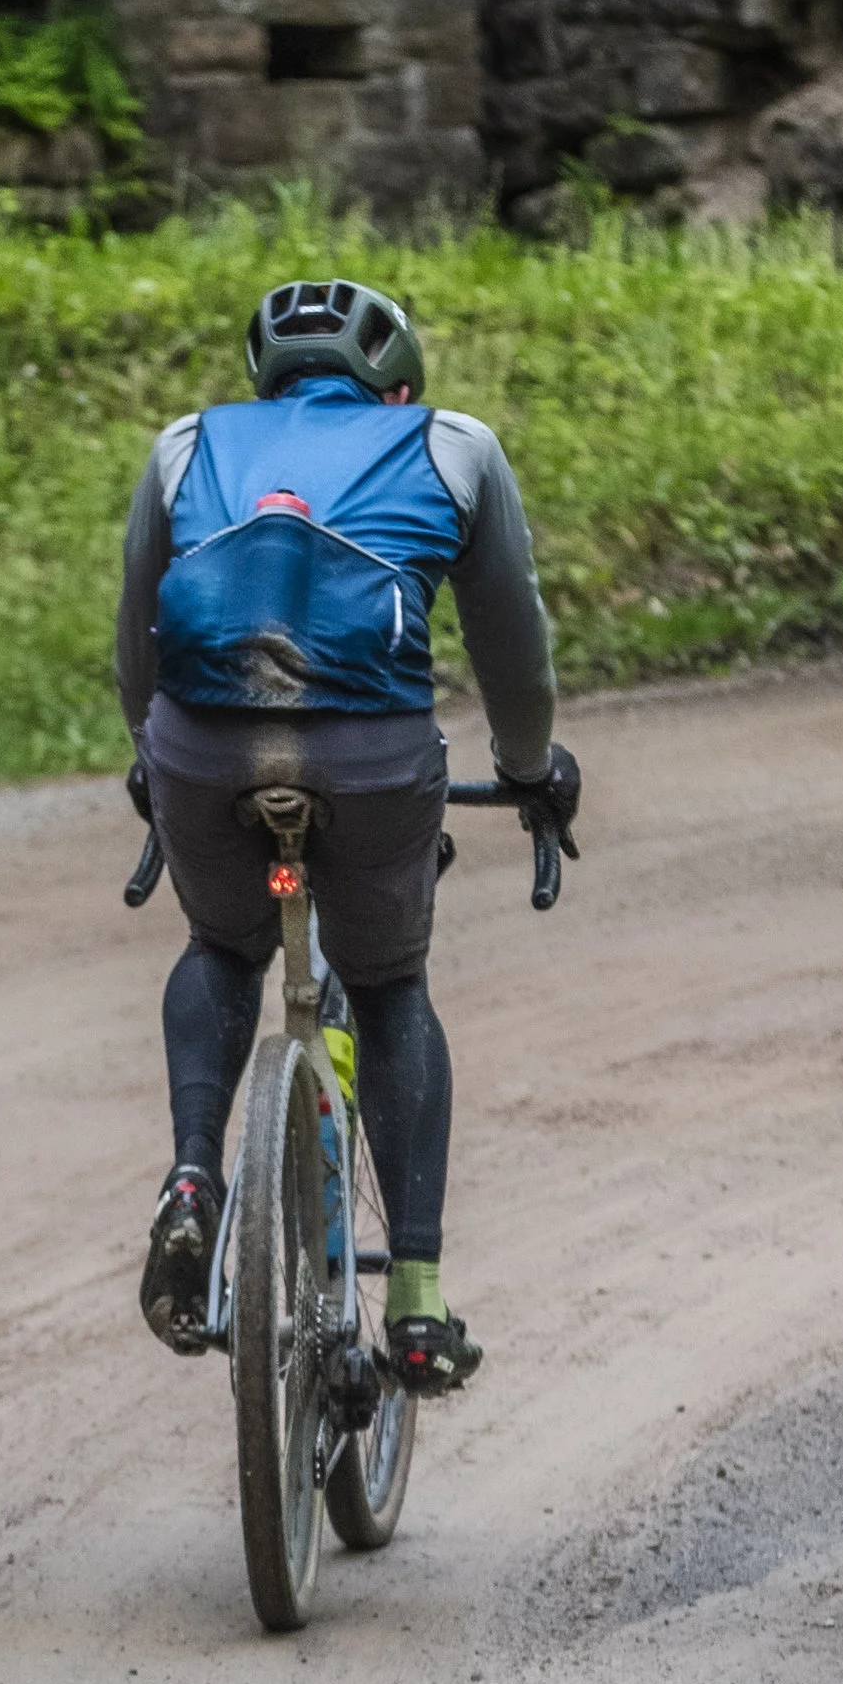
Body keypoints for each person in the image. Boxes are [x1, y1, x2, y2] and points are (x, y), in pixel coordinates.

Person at [114, 277, 578, 1393]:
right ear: (398, 387)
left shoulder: (187, 446)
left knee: (223, 946)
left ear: (264, 383)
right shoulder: (452, 445)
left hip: (203, 748)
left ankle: (190, 1180)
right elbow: (513, 644)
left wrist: (154, 758)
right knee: (387, 986)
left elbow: (139, 634)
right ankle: (414, 1303)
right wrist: (527, 771)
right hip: (370, 760)